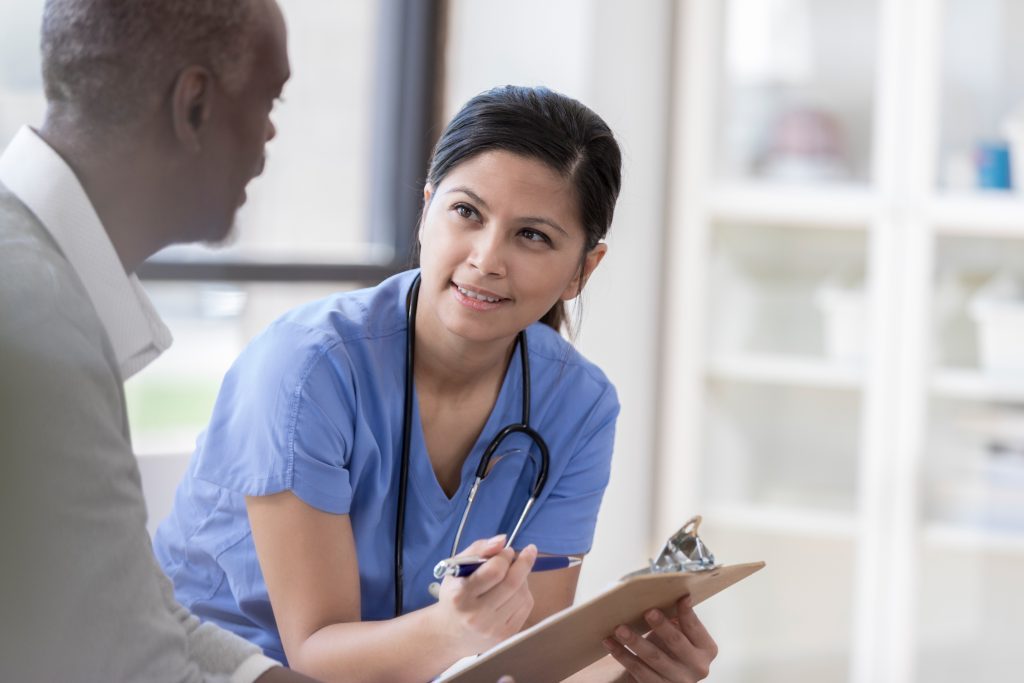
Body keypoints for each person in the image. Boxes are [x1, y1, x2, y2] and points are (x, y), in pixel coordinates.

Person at [153, 85, 719, 683]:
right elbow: (315, 653)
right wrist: (453, 631)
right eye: (467, 213)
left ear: (583, 269)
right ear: (426, 211)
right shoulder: (308, 367)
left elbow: (523, 664)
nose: (486, 258)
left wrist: (635, 673)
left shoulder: (579, 405)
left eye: (533, 236)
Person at [0, 0, 319, 680]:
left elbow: (131, 606)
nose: (269, 135)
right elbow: (127, 665)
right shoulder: (37, 322)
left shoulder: (41, 280)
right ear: (194, 106)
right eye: (268, 100)